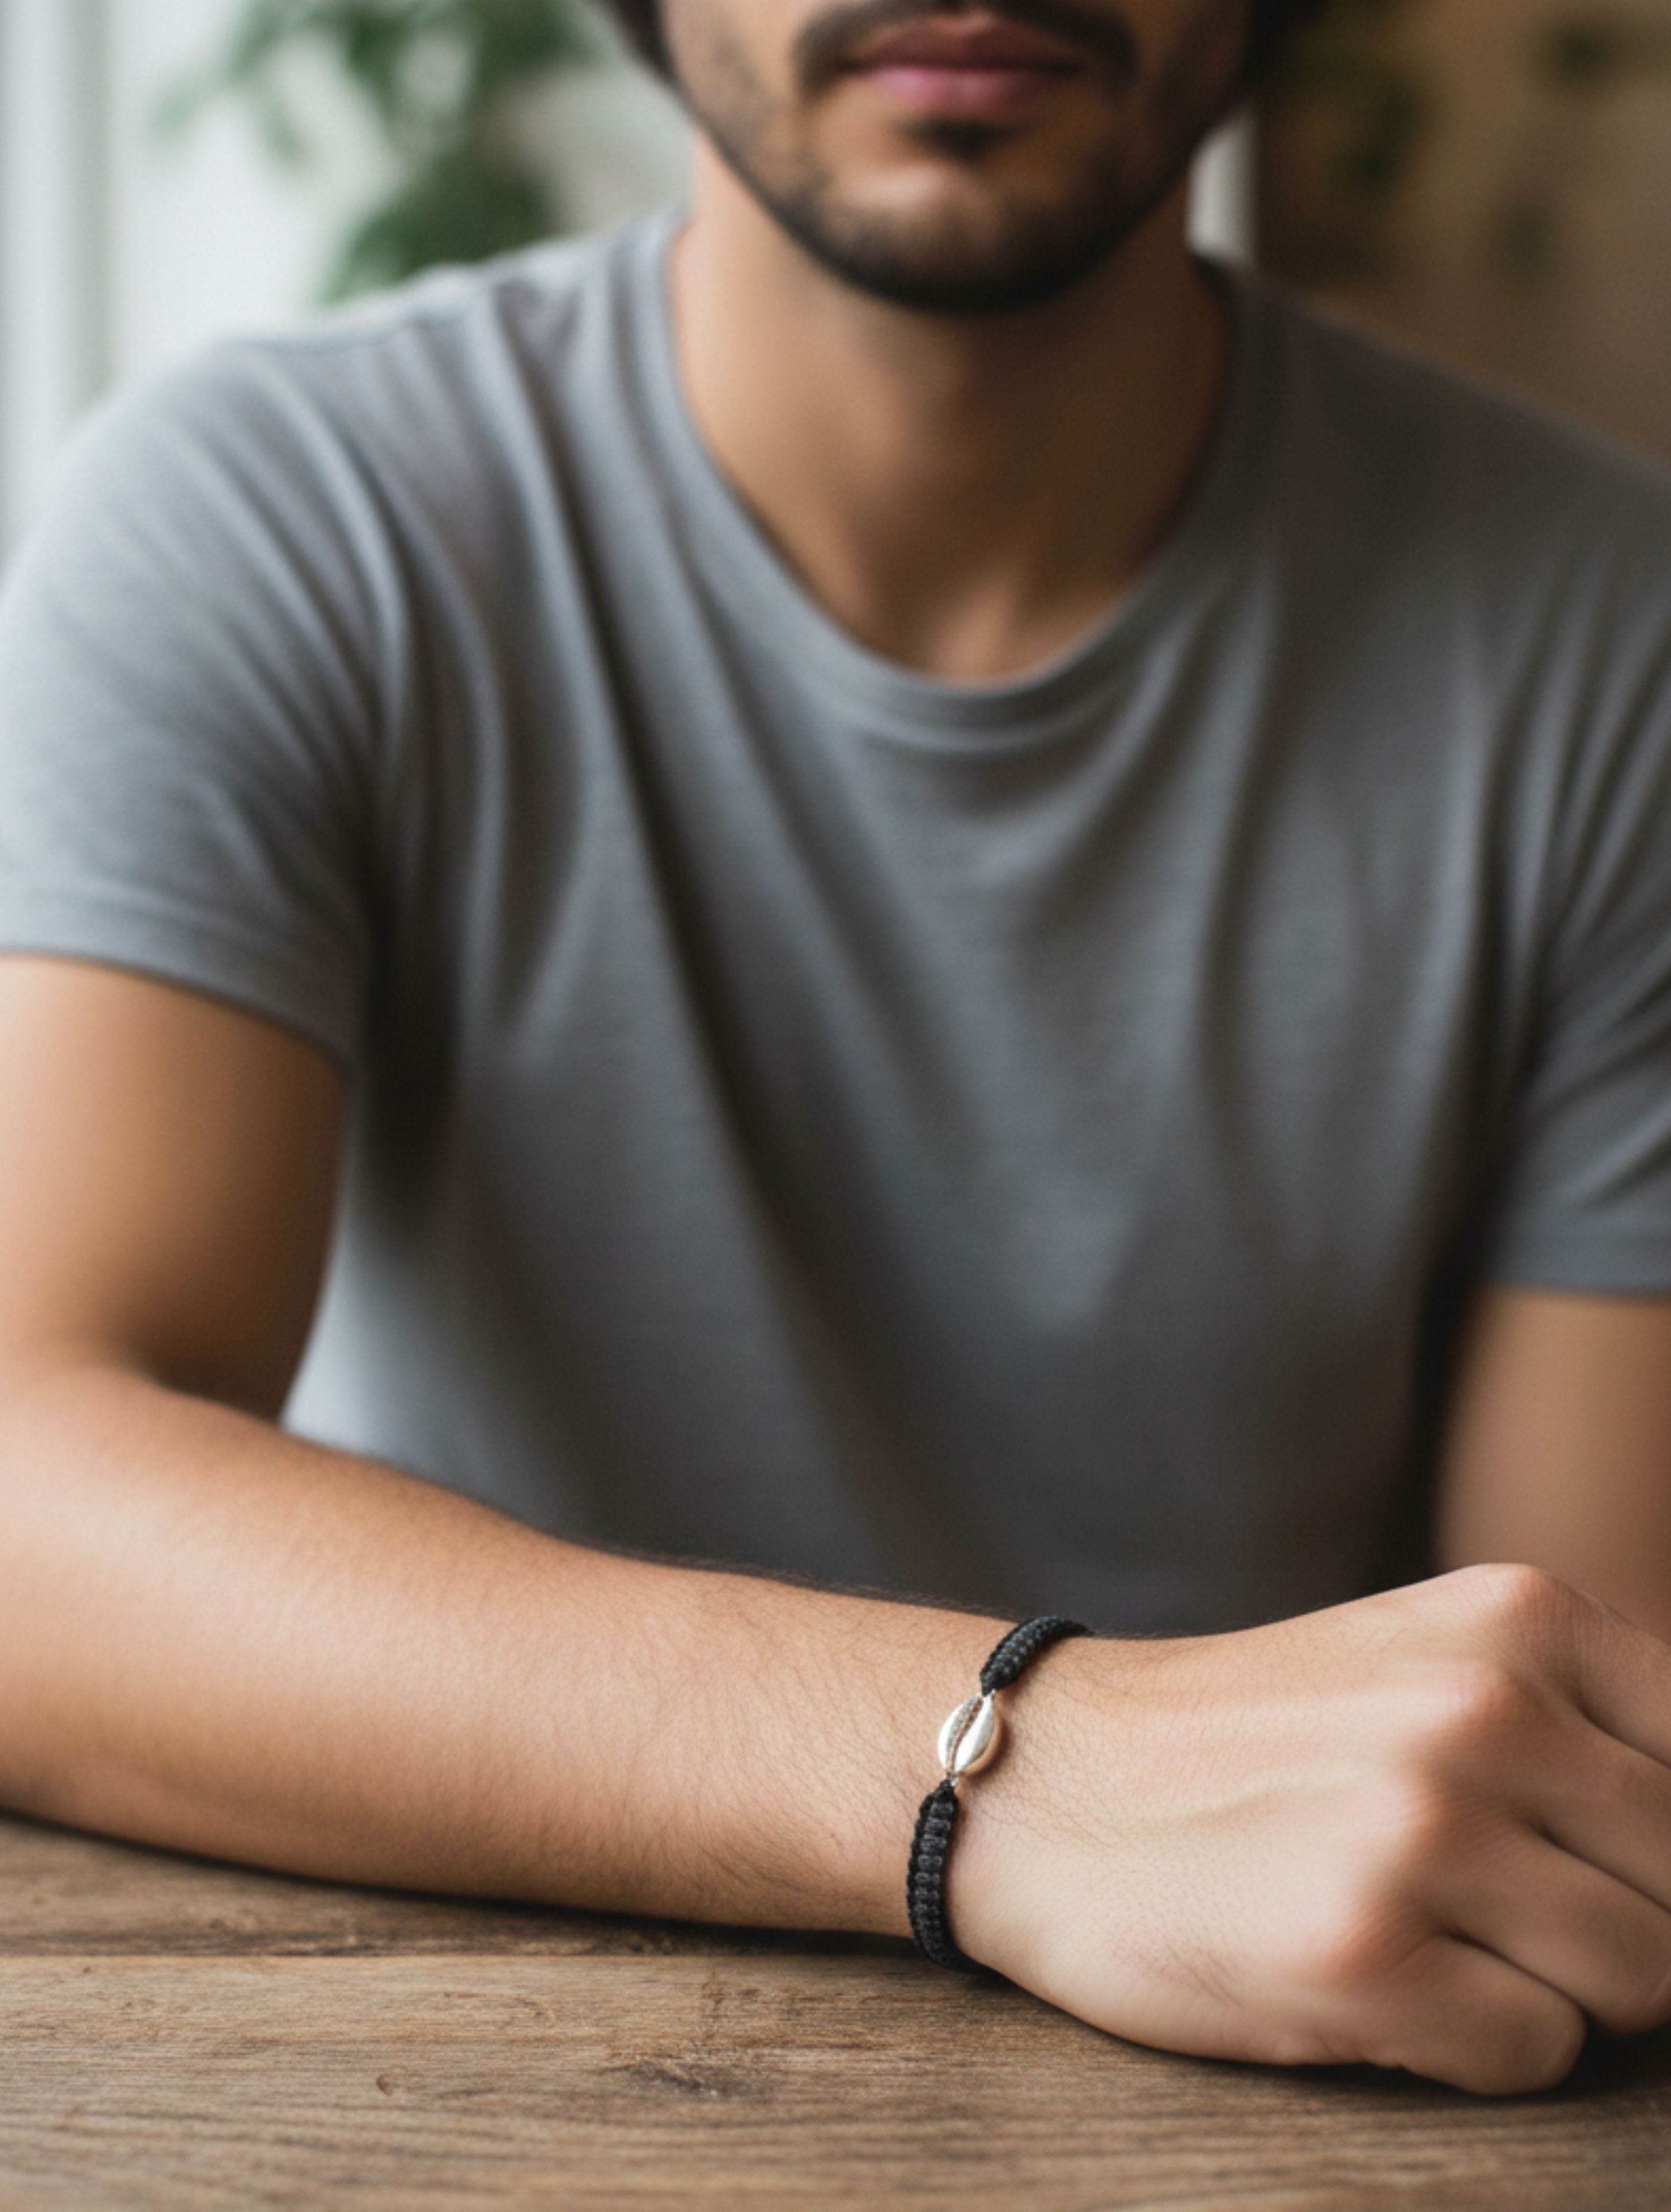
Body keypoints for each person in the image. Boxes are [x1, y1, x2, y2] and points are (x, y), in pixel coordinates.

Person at [2, 0, 1671, 2099]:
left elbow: (1589, 1775)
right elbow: (25, 1498)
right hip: (459, 2060)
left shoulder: (1617, 645)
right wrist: (1011, 1770)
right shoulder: (275, 518)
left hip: (1270, 2079)